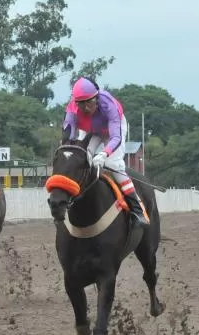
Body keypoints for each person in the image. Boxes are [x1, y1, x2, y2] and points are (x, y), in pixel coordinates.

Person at [62, 77, 149, 226]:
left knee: (112, 163)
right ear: (76, 103)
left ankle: (137, 210)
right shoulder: (72, 110)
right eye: (81, 104)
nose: (86, 108)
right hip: (91, 130)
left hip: (113, 130)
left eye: (89, 102)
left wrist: (104, 153)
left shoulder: (108, 105)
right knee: (83, 158)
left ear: (96, 98)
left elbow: (116, 137)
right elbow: (68, 137)